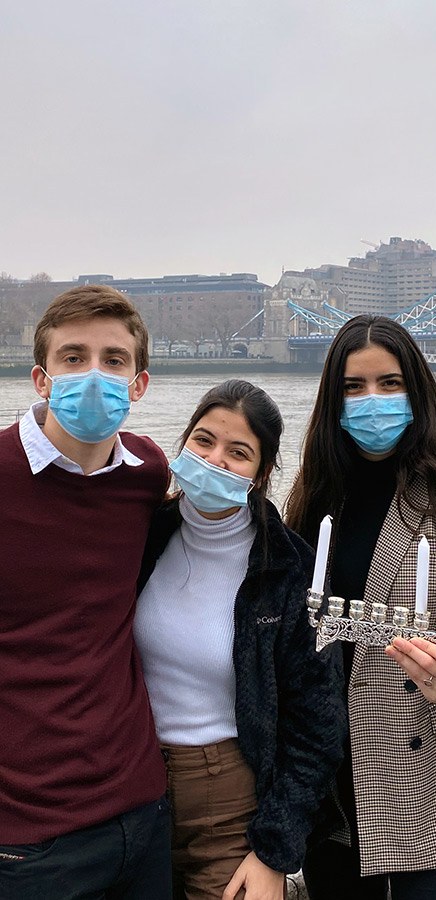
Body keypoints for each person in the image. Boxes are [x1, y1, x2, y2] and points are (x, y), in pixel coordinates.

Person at [284, 315, 436, 900]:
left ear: (418, 389)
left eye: (389, 383)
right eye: (353, 388)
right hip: (334, 786)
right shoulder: (316, 491)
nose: (372, 401)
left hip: (433, 785)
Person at [134, 379, 346, 900]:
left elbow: (316, 724)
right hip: (132, 787)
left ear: (262, 473)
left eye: (239, 452)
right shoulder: (141, 536)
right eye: (203, 441)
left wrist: (275, 850)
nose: (215, 461)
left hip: (229, 797)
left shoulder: (289, 570)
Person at [0, 285, 172, 898]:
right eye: (74, 358)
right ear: (41, 380)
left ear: (140, 383)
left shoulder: (147, 474)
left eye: (114, 359)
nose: (94, 375)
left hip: (144, 812)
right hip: (28, 841)